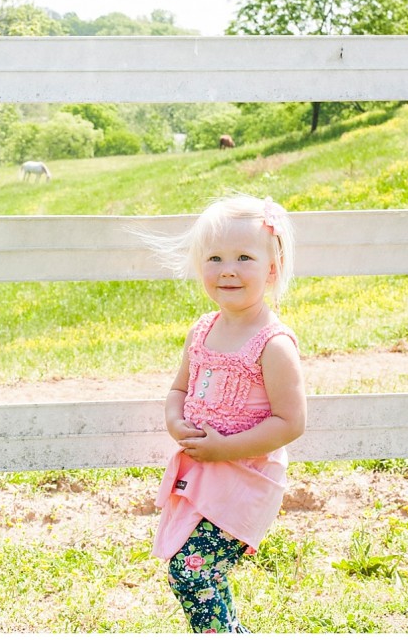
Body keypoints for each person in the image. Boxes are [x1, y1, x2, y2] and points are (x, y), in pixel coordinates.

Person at [139, 193, 306, 633]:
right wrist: (175, 422)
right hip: (202, 472)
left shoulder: (273, 344)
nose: (227, 269)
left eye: (244, 257)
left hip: (246, 477)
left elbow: (291, 422)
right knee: (194, 569)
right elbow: (179, 389)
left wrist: (225, 449)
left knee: (193, 570)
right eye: (214, 257)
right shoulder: (202, 331)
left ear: (273, 268)